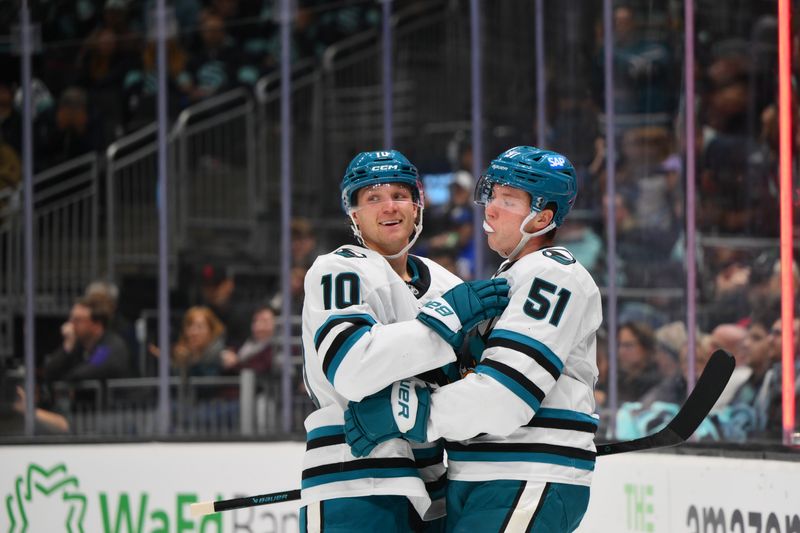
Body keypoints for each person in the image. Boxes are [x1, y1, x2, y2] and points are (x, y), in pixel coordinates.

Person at [344, 146, 602, 532]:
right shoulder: (512, 278)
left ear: (543, 217)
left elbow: (505, 397)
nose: (491, 209)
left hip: (524, 474)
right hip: (484, 476)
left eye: (508, 201)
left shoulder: (553, 277)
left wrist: (408, 414)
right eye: (492, 196)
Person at [299, 149, 509, 532]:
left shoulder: (446, 283)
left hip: (434, 488)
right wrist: (446, 320)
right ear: (354, 214)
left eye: (399, 195)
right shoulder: (337, 270)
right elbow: (351, 368)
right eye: (373, 197)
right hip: (353, 480)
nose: (389, 206)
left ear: (417, 206)